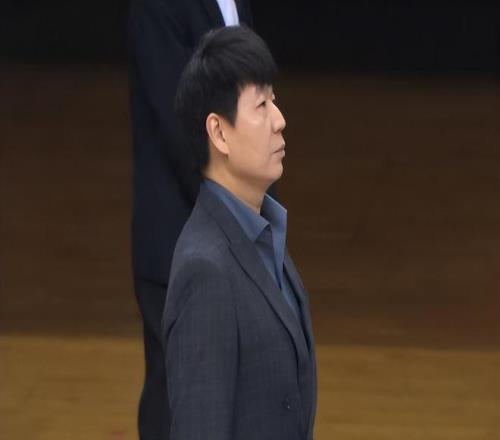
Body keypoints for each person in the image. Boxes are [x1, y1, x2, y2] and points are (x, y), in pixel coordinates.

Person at [162, 26, 317, 440]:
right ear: (219, 132)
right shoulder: (205, 272)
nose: (280, 120)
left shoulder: (264, 232)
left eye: (274, 100)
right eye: (262, 104)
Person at [127, 1, 252, 438]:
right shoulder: (156, 7)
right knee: (176, 401)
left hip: (236, 230)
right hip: (178, 242)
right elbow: (182, 124)